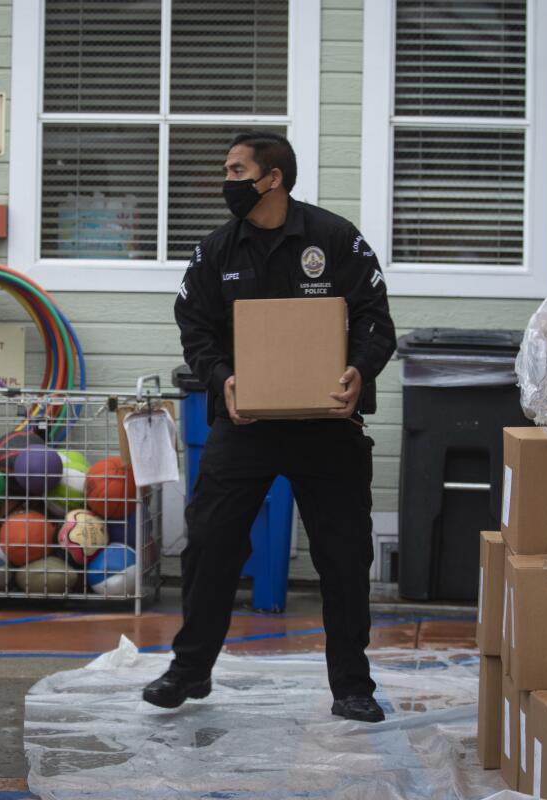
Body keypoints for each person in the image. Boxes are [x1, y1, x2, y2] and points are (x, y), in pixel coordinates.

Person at [143, 132, 397, 722]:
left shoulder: (336, 241)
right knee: (209, 543)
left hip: (327, 426)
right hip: (245, 423)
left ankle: (352, 686)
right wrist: (221, 377)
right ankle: (191, 670)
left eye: (236, 169)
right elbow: (195, 329)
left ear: (273, 177)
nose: (226, 180)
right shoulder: (215, 253)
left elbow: (376, 321)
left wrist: (359, 369)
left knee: (342, 555)